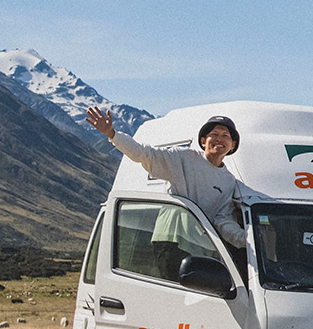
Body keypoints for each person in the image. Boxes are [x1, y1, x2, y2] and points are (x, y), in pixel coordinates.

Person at [86, 107, 247, 277]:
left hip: (201, 248)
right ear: (203, 140)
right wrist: (112, 134)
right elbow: (145, 154)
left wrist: (248, 240)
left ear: (232, 145)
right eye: (214, 134)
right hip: (170, 242)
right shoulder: (183, 158)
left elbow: (223, 220)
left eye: (225, 136)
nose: (219, 139)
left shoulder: (229, 181)